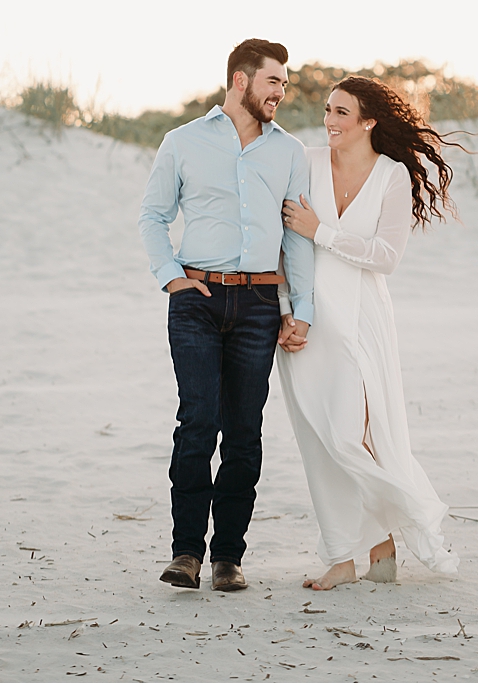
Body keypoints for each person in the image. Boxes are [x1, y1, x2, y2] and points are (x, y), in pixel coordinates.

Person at [138, 38, 316, 592]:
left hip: (261, 303)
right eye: (274, 82)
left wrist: (300, 310)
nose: (281, 92)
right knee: (197, 422)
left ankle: (228, 557)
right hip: (197, 299)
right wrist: (171, 276)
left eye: (284, 84)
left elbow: (297, 236)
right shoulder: (183, 141)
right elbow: (152, 215)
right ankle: (186, 552)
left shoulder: (290, 152)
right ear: (241, 80)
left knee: (244, 432)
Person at [277, 77, 461, 588]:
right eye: (328, 110)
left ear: (369, 121)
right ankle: (347, 555)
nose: (330, 121)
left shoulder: (391, 176)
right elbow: (282, 247)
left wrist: (323, 233)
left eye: (342, 112)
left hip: (362, 318)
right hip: (306, 318)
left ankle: (382, 540)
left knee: (356, 434)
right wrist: (286, 310)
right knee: (320, 439)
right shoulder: (306, 162)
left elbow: (387, 257)